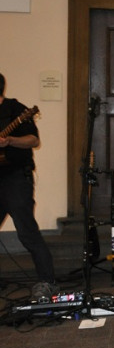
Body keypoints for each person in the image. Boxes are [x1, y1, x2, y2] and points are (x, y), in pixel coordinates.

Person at [0, 73, 57, 301]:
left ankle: (47, 281)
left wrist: (10, 140)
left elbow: (34, 140)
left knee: (26, 232)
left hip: (15, 179)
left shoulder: (17, 110)